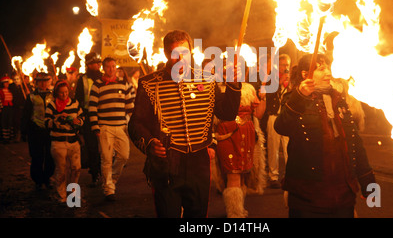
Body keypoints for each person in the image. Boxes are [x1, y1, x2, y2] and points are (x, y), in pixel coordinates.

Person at [128, 29, 242, 218]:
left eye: (185, 54)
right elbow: (136, 124)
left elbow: (227, 113)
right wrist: (150, 143)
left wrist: (233, 85)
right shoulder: (148, 84)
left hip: (199, 164)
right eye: (175, 55)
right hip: (167, 164)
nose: (181, 60)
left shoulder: (207, 79)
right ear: (166, 54)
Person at [274, 53, 375, 218]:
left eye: (328, 67)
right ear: (305, 74)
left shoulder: (339, 100)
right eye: (321, 69)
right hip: (308, 196)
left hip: (343, 195)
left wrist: (368, 182)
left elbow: (354, 142)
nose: (328, 73)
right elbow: (281, 126)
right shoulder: (294, 98)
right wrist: (300, 96)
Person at [214, 82, 266, 217]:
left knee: (242, 175)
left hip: (246, 133)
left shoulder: (248, 88)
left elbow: (258, 114)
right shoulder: (217, 89)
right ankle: (234, 213)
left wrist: (263, 97)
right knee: (233, 174)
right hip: (227, 133)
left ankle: (238, 208)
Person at [88, 57, 135, 201]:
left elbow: (129, 107)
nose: (111, 69)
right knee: (106, 159)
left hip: (120, 126)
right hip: (105, 127)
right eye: (108, 66)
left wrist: (132, 125)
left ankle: (111, 180)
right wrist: (96, 127)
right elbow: (92, 108)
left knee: (124, 156)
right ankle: (108, 189)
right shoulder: (97, 85)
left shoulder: (124, 84)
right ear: (104, 68)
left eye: (113, 66)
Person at [45, 80, 84, 203]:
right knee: (61, 170)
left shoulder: (75, 103)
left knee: (76, 168)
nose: (64, 95)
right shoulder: (52, 105)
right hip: (58, 142)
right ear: (57, 93)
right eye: (61, 93)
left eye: (66, 92)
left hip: (73, 141)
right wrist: (58, 120)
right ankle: (61, 196)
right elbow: (46, 122)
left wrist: (78, 122)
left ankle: (73, 195)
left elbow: (82, 118)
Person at [22, 72, 55, 190]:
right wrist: (24, 131)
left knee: (50, 156)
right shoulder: (31, 96)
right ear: (36, 83)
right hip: (36, 130)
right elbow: (26, 114)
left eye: (46, 81)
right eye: (41, 81)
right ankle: (38, 180)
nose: (43, 83)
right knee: (37, 156)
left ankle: (47, 178)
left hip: (50, 131)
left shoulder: (52, 96)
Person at [75, 52, 102, 186]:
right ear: (89, 65)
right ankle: (95, 172)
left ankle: (104, 171)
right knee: (92, 146)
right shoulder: (83, 79)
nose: (98, 65)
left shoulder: (104, 78)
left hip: (103, 115)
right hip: (87, 116)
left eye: (99, 63)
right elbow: (79, 99)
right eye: (95, 63)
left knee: (104, 146)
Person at [264, 53, 291, 188]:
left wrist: (288, 83)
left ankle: (290, 176)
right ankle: (273, 176)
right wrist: (280, 82)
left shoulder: (291, 81)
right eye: (282, 65)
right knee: (273, 148)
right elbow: (267, 94)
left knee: (288, 148)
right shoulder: (271, 79)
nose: (285, 67)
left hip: (287, 118)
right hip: (274, 116)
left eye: (287, 65)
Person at [9, 73, 27, 142]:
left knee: (23, 122)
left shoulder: (23, 87)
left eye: (18, 79)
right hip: (15, 107)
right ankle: (17, 136)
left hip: (23, 107)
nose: (16, 81)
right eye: (15, 79)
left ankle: (23, 136)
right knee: (16, 122)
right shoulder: (11, 87)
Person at [0, 75, 14, 143]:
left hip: (10, 107)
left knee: (10, 121)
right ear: (3, 84)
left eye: (8, 83)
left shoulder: (10, 91)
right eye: (5, 83)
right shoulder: (1, 91)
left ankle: (10, 137)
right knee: (4, 122)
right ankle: (5, 138)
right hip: (4, 108)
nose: (7, 84)